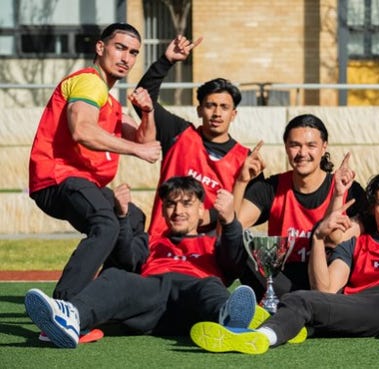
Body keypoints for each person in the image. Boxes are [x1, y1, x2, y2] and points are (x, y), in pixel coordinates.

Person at [191, 171, 379, 358]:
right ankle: (260, 337)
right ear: (371, 208)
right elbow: (327, 289)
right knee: (300, 299)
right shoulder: (356, 240)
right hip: (368, 304)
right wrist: (318, 238)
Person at [23, 176, 255, 349]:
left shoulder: (211, 243)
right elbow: (127, 258)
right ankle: (72, 317)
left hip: (194, 299)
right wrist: (122, 217)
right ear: (162, 210)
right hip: (150, 299)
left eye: (186, 203)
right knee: (117, 278)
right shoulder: (152, 241)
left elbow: (233, 263)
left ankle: (229, 320)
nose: (178, 210)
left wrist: (230, 222)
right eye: (171, 204)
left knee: (210, 285)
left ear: (202, 210)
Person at [27, 23, 161, 304]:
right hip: (58, 178)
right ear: (100, 48)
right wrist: (137, 150)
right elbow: (83, 130)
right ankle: (65, 305)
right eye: (120, 48)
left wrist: (147, 113)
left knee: (133, 219)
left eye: (134, 52)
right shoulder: (89, 83)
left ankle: (110, 295)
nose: (126, 57)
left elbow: (143, 137)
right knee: (106, 223)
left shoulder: (110, 102)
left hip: (84, 184)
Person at [132, 35, 264, 241]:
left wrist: (207, 216)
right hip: (161, 242)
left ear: (234, 114)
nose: (217, 113)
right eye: (210, 106)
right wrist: (166, 61)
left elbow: (249, 212)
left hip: (208, 254)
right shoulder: (179, 134)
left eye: (224, 107)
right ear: (199, 110)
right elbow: (143, 99)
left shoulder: (245, 161)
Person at [234, 114, 366, 298]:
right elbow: (232, 227)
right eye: (295, 145)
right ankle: (264, 304)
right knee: (233, 243)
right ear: (286, 147)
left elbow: (334, 239)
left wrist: (337, 194)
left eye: (311, 145)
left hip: (326, 278)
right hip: (281, 277)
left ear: (323, 147)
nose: (302, 153)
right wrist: (242, 181)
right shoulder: (272, 188)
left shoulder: (350, 190)